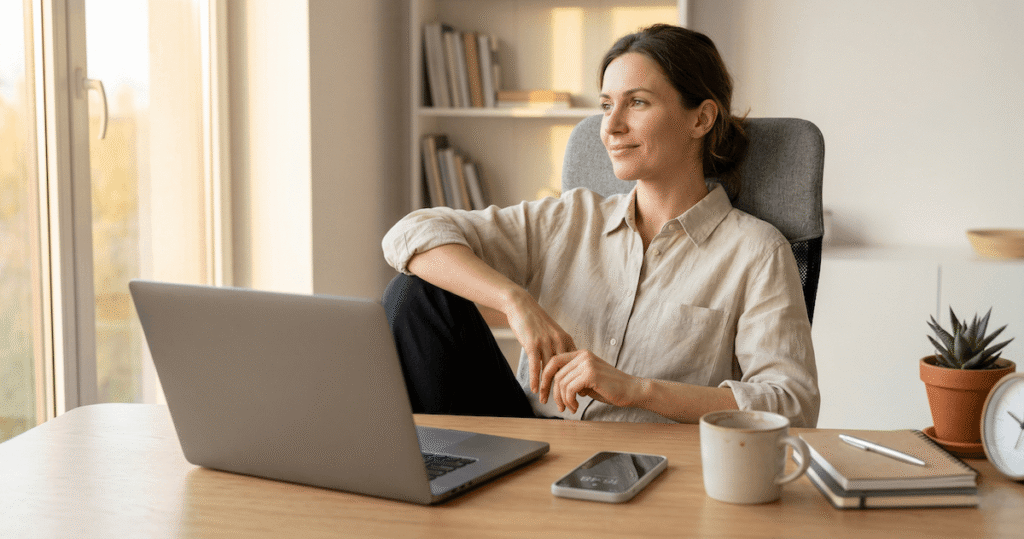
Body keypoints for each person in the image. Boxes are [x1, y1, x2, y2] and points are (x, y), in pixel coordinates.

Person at [381, 24, 819, 427]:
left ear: (700, 119)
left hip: (648, 462)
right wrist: (515, 301)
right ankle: (436, 478)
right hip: (532, 442)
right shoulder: (569, 218)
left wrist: (638, 390)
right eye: (607, 105)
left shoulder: (758, 251)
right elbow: (411, 234)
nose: (610, 126)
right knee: (416, 294)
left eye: (637, 102)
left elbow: (792, 403)